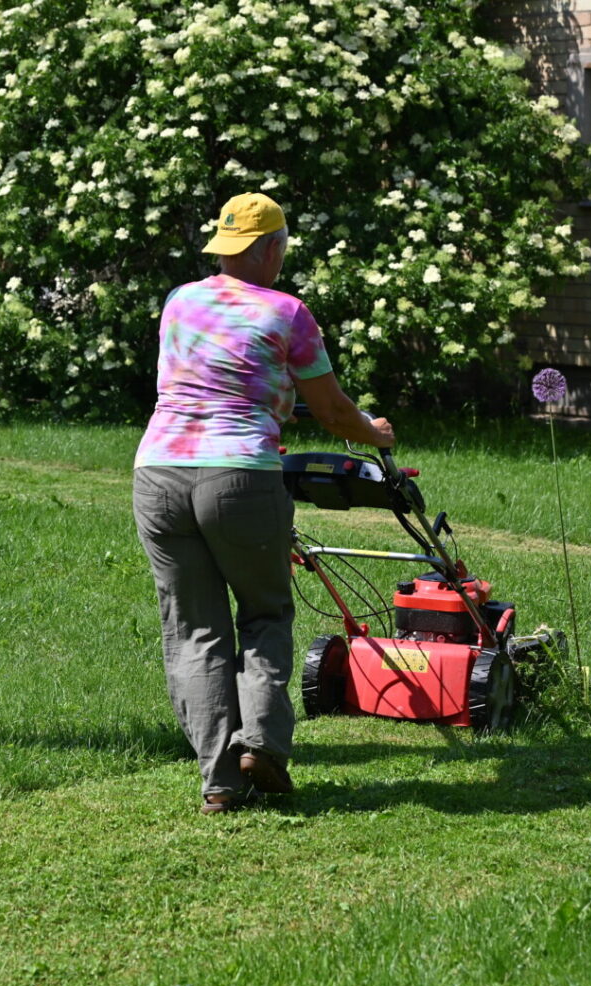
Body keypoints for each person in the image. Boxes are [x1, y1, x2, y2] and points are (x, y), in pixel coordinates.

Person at [132, 193, 395, 814]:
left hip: (158, 471)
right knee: (266, 612)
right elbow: (332, 411)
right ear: (271, 247)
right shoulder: (288, 312)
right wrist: (374, 433)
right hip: (240, 476)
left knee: (195, 629)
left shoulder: (179, 300)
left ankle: (219, 783)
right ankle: (265, 747)